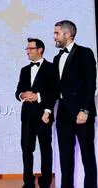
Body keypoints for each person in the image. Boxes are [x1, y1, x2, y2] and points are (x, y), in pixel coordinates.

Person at [53, 20, 97, 188]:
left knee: (87, 157)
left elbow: (90, 83)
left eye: (57, 33)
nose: (54, 37)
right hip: (63, 113)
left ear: (68, 34)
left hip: (81, 113)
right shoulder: (57, 57)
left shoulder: (85, 53)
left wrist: (84, 110)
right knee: (65, 158)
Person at [15, 38, 55, 188]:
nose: (27, 51)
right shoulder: (24, 70)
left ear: (40, 50)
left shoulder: (51, 68)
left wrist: (37, 96)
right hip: (26, 116)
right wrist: (22, 95)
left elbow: (54, 92)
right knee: (26, 149)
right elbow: (18, 91)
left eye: (30, 48)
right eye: (27, 49)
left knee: (45, 149)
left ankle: (45, 182)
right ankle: (28, 182)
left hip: (44, 114)